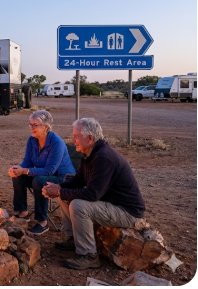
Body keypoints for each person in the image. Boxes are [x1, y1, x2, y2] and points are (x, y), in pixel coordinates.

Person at [42, 118, 145, 270]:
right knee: (64, 196)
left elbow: (92, 194)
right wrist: (59, 187)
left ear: (90, 138)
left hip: (127, 212)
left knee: (78, 205)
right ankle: (74, 239)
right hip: (111, 204)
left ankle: (89, 255)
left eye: (76, 136)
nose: (73, 140)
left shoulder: (103, 157)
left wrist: (59, 191)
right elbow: (78, 181)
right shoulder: (89, 153)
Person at [9, 110, 75, 235]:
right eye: (30, 124)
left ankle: (42, 222)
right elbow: (27, 162)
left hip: (63, 178)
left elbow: (50, 170)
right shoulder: (32, 140)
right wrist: (18, 169)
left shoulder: (56, 143)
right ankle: (23, 213)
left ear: (46, 127)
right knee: (18, 177)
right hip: (42, 175)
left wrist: (26, 170)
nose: (31, 128)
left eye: (35, 125)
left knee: (39, 180)